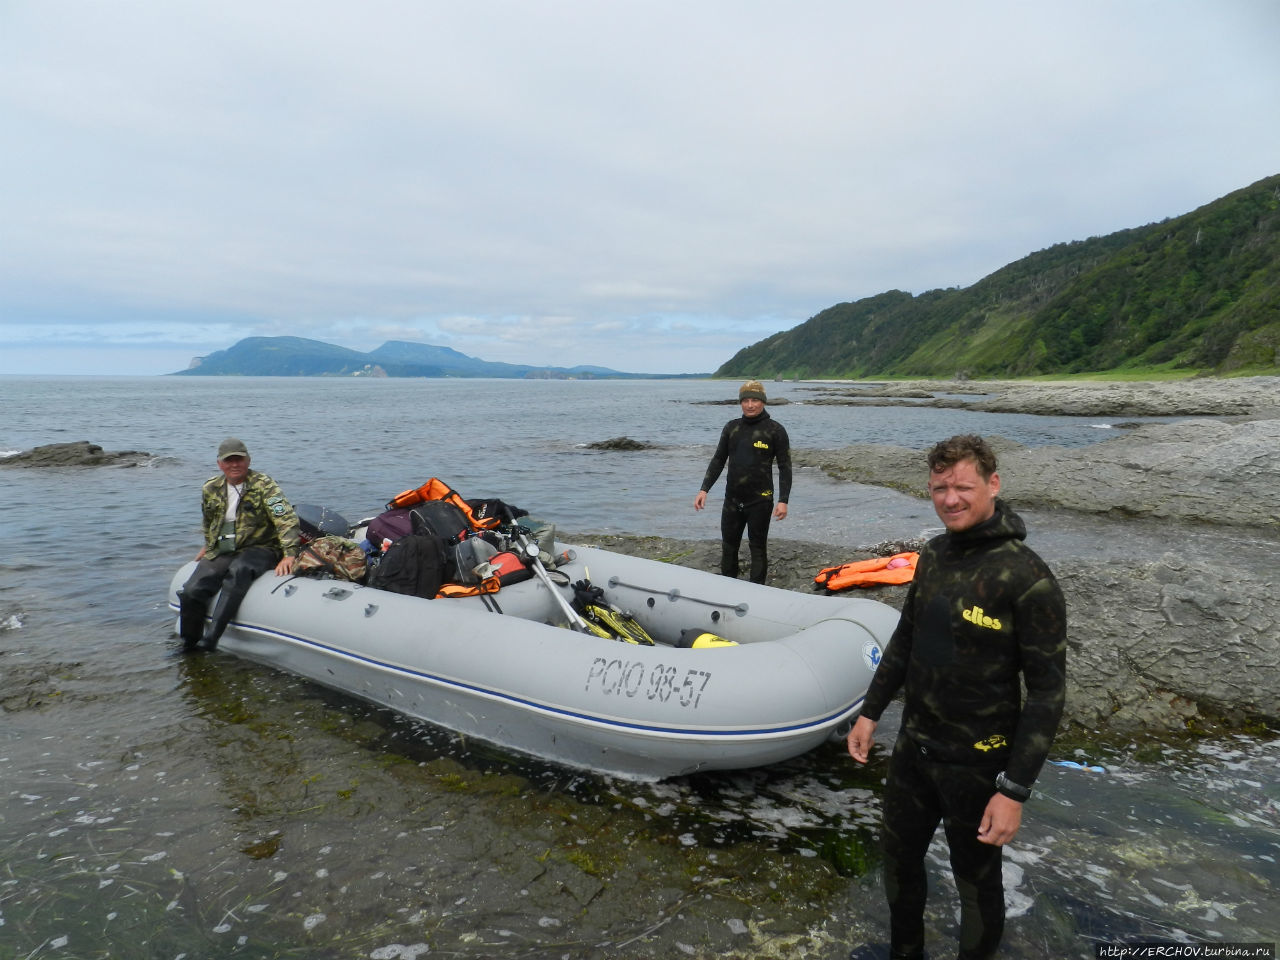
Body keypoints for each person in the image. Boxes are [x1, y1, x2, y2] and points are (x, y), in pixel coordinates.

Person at [847, 434, 1067, 960]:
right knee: (899, 863)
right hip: (915, 751)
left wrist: (1013, 791)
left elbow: (1046, 694)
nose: (950, 499)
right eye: (939, 488)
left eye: (963, 486)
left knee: (976, 882)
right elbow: (905, 639)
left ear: (993, 484)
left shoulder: (1028, 577)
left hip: (979, 763)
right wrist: (871, 712)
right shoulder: (934, 555)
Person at [177, 437, 301, 652]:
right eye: (229, 461)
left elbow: (286, 519)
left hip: (261, 547)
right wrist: (208, 544)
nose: (234, 465)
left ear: (248, 460)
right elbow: (208, 520)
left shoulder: (265, 485)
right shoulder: (210, 488)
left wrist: (290, 553)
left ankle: (211, 640)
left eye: (239, 460)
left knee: (239, 571)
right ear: (220, 464)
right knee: (192, 590)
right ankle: (189, 642)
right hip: (225, 547)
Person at [693, 380, 791, 583]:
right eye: (745, 400)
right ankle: (728, 586)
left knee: (757, 546)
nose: (750, 405)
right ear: (741, 402)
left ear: (763, 402)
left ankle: (757, 591)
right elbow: (718, 459)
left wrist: (783, 500)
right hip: (732, 501)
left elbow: (785, 467)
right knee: (729, 546)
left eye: (755, 400)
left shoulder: (775, 430)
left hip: (761, 501)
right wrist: (704, 490)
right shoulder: (732, 428)